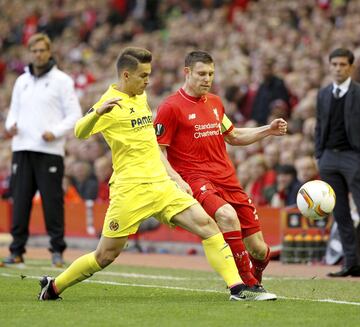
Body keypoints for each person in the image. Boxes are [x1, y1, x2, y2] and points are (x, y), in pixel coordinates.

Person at [38, 47, 276, 301]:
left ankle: (238, 288)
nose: (148, 80)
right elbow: (79, 132)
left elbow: (153, 145)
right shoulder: (109, 103)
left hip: (160, 185)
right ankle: (54, 287)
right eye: (143, 75)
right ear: (126, 76)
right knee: (105, 255)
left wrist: (174, 178)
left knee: (208, 226)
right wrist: (97, 113)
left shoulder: (141, 96)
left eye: (149, 74)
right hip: (130, 189)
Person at [154, 51, 287, 289]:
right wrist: (176, 179)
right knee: (226, 216)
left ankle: (254, 278)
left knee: (259, 249)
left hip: (227, 179)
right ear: (187, 73)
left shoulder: (215, 103)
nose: (207, 79)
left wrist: (268, 129)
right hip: (196, 179)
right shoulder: (170, 107)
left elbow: (233, 136)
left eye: (211, 74)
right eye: (202, 74)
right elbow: (158, 149)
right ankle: (246, 284)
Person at [1, 33, 82, 268]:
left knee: (52, 201)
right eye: (34, 50)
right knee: (21, 200)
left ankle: (57, 250)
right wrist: (10, 126)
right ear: (30, 52)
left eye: (41, 50)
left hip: (49, 150)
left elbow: (74, 115)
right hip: (22, 147)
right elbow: (13, 111)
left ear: (49, 52)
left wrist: (55, 132)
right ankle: (16, 250)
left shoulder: (62, 81)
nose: (38, 54)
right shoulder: (22, 81)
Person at [315, 48, 360, 277]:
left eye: (343, 64)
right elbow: (319, 126)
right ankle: (351, 263)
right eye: (334, 64)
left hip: (353, 156)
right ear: (329, 66)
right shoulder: (323, 94)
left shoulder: (358, 93)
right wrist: (319, 155)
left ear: (351, 67)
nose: (338, 68)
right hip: (329, 158)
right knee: (340, 213)